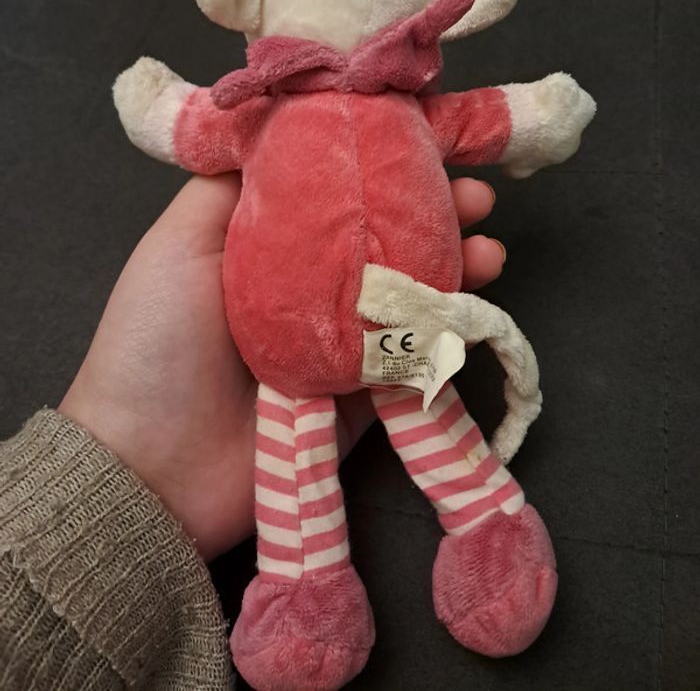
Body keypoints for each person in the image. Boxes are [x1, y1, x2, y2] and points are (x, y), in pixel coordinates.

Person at [0, 172, 505, 690]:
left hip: (373, 327)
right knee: (408, 376)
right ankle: (487, 534)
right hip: (293, 351)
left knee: (415, 366)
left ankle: (488, 535)